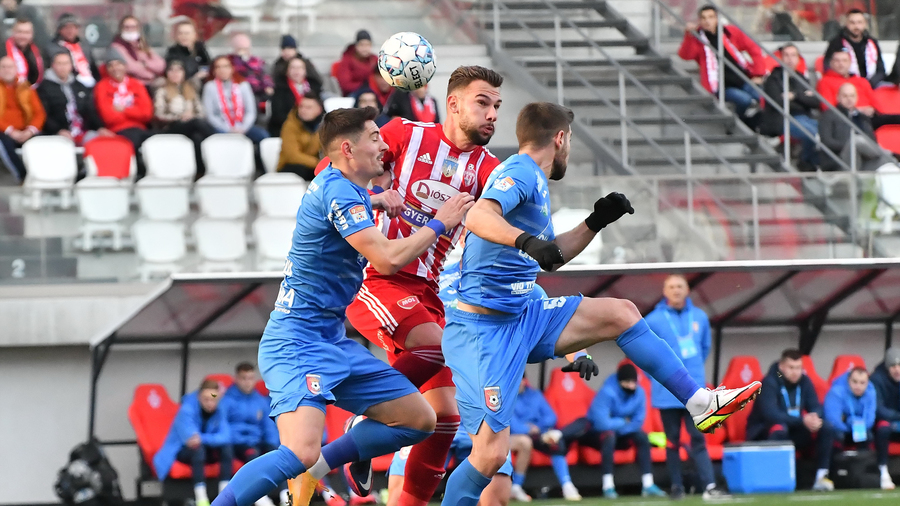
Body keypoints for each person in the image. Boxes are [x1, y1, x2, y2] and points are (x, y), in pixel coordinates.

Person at [437, 102, 761, 506]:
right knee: (491, 458)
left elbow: (552, 254)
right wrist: (525, 241)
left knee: (622, 313)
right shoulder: (520, 170)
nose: (568, 148)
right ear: (559, 139)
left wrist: (595, 222)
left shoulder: (534, 182)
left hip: (523, 316)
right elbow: (480, 216)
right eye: (569, 139)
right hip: (482, 333)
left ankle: (700, 403)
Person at [208, 106, 474, 506]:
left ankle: (337, 455)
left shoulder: (345, 187)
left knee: (420, 420)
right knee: (299, 452)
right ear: (348, 148)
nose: (384, 144)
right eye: (374, 138)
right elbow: (385, 259)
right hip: (296, 343)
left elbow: (343, 199)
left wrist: (377, 199)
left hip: (332, 340)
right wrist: (439, 222)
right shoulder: (339, 193)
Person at [341, 66, 507, 506]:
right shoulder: (403, 133)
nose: (492, 114)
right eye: (483, 103)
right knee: (438, 346)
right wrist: (374, 190)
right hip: (375, 278)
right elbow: (330, 172)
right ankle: (362, 421)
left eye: (497, 107)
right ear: (452, 103)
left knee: (445, 419)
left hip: (427, 292)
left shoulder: (491, 170)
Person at [384, 252, 514, 506]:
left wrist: (579, 353)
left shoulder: (509, 280)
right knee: (399, 494)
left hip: (481, 406)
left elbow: (544, 307)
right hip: (435, 402)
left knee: (494, 497)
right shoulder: (436, 278)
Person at [644, 274, 726, 500]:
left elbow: (704, 348)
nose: (676, 290)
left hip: (695, 390)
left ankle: (709, 486)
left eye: (680, 286)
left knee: (699, 438)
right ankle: (677, 487)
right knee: (672, 441)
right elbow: (644, 354)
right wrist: (657, 378)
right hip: (666, 391)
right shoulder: (653, 320)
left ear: (687, 290)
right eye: (671, 287)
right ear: (664, 291)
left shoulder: (700, 317)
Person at [746, 349, 833, 491]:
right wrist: (802, 421)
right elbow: (771, 415)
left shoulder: (804, 381)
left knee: (826, 427)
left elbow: (816, 406)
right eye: (791, 368)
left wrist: (814, 417)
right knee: (779, 428)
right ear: (782, 367)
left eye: (798, 368)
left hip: (794, 429)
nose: (795, 372)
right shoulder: (770, 382)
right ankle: (774, 478)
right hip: (764, 432)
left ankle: (821, 477)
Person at [587, 363, 665, 499]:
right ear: (620, 381)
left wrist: (621, 427)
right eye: (627, 382)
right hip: (599, 434)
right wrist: (623, 421)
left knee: (642, 437)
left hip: (623, 433)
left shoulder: (639, 393)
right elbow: (601, 423)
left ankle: (648, 484)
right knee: (609, 437)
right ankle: (608, 486)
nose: (631, 386)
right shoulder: (607, 391)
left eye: (633, 382)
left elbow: (638, 421)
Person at [154, 379, 234, 506]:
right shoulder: (187, 409)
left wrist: (203, 438)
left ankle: (225, 496)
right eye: (205, 399)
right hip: (181, 451)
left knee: (227, 448)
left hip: (205, 447)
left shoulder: (219, 410)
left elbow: (226, 436)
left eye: (213, 399)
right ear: (199, 396)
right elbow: (191, 440)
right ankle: (201, 498)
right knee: (198, 449)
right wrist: (207, 439)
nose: (209, 403)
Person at [677, 4, 765, 120]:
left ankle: (754, 123)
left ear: (717, 18)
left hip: (742, 78)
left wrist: (758, 74)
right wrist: (689, 35)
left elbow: (754, 48)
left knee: (763, 98)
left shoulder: (730, 31)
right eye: (703, 18)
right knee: (745, 100)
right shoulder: (697, 38)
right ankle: (741, 122)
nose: (707, 21)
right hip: (721, 86)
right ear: (699, 21)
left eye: (710, 17)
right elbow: (685, 56)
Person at [508, 376, 582, 501]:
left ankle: (567, 485)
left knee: (556, 442)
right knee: (525, 441)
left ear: (525, 381)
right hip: (519, 435)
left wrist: (538, 426)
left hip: (540, 433)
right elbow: (512, 424)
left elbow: (551, 417)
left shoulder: (535, 395)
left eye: (520, 379)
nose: (518, 383)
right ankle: (516, 486)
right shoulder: (506, 397)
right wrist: (527, 429)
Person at [223, 363, 286, 506]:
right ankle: (258, 496)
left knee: (278, 453)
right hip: (236, 443)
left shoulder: (260, 400)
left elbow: (268, 427)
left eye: (251, 378)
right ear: (236, 379)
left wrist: (275, 446)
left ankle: (284, 494)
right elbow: (224, 427)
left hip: (256, 441)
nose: (247, 382)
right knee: (253, 453)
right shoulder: (227, 400)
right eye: (244, 378)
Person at [823, 367, 895, 490]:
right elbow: (833, 419)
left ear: (867, 383)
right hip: (841, 428)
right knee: (835, 434)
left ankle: (865, 473)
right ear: (848, 381)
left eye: (862, 383)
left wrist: (858, 426)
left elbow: (870, 419)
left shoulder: (871, 391)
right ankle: (832, 474)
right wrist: (849, 426)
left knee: (869, 435)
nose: (858, 386)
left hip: (859, 428)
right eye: (854, 382)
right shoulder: (836, 391)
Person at [760, 44, 820, 170]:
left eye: (793, 55)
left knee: (823, 131)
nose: (790, 59)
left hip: (803, 117)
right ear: (781, 58)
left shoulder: (801, 78)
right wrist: (803, 98)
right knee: (813, 134)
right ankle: (806, 162)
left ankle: (808, 161)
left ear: (798, 58)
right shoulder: (773, 79)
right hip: (783, 119)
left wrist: (795, 96)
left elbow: (815, 101)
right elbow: (778, 102)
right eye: (786, 55)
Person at [94, 49, 154, 172]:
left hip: (140, 128)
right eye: (111, 65)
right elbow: (109, 118)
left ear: (125, 66)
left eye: (118, 64)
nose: (115, 68)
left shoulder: (136, 84)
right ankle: (137, 174)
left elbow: (147, 114)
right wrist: (135, 111)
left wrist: (124, 110)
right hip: (118, 130)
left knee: (160, 139)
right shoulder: (102, 87)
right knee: (133, 140)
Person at [37, 48, 113, 146]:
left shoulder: (79, 86)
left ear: (71, 66)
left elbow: (90, 110)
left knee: (106, 143)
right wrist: (58, 130)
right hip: (58, 134)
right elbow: (44, 114)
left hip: (82, 132)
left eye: (66, 63)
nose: (63, 67)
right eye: (59, 63)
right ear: (53, 65)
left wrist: (99, 128)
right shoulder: (44, 88)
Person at [153, 58, 214, 173]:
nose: (175, 73)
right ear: (167, 73)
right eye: (171, 70)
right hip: (172, 126)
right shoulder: (162, 91)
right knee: (197, 124)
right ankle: (216, 141)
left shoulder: (190, 89)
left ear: (184, 73)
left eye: (179, 70)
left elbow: (201, 111)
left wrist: (192, 116)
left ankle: (200, 171)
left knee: (197, 138)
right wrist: (179, 117)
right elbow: (158, 114)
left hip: (191, 124)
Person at [819, 83, 896, 171]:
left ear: (856, 98)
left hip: (863, 161)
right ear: (838, 97)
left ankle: (890, 157)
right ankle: (889, 153)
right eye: (845, 96)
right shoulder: (828, 115)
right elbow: (827, 142)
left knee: (889, 161)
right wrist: (850, 146)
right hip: (838, 162)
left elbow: (872, 141)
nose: (849, 99)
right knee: (857, 141)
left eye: (852, 96)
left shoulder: (862, 117)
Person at [817, 50, 900, 131]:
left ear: (850, 63)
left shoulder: (861, 81)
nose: (841, 64)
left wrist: (873, 110)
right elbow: (827, 108)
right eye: (837, 61)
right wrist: (858, 111)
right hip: (847, 119)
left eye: (844, 60)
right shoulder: (824, 82)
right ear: (831, 63)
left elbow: (875, 103)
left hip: (870, 118)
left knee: (893, 119)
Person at [202, 55, 268, 144]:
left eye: (226, 66)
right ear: (214, 71)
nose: (222, 70)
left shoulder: (243, 85)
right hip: (221, 127)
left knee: (262, 135)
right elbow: (210, 115)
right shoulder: (210, 87)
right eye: (218, 67)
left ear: (232, 68)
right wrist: (228, 129)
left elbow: (250, 111)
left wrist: (243, 128)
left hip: (242, 126)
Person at [0, 54, 42, 181]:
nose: (7, 70)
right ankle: (22, 177)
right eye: (3, 67)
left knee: (43, 141)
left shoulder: (26, 88)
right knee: (3, 143)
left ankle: (42, 177)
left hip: (26, 130)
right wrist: (11, 131)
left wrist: (31, 130)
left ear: (16, 69)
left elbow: (39, 113)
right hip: (4, 131)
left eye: (10, 67)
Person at [824, 9, 888, 89]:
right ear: (846, 24)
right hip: (846, 86)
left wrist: (869, 84)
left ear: (865, 24)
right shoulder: (836, 43)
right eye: (852, 23)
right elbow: (828, 67)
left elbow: (881, 70)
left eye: (859, 22)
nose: (856, 26)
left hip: (871, 85)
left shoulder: (872, 43)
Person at [869, 346, 900, 489]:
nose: (897, 370)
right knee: (883, 429)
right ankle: (883, 471)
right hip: (883, 421)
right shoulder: (876, 379)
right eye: (893, 366)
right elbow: (878, 408)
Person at [268, 56, 321, 137]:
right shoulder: (280, 88)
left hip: (312, 126)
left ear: (305, 71)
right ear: (287, 71)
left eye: (300, 68)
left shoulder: (314, 87)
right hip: (286, 127)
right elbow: (278, 115)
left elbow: (320, 111)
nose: (297, 71)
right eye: (293, 68)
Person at [109, 16, 165, 88]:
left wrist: (145, 64)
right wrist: (151, 75)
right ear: (121, 29)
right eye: (126, 27)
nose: (130, 30)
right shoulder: (117, 46)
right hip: (133, 84)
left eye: (133, 27)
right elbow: (131, 67)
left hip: (150, 83)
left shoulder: (142, 44)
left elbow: (161, 65)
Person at [276, 94, 323, 179]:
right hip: (290, 167)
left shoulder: (325, 127)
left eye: (308, 108)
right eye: (301, 107)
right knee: (303, 170)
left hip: (313, 166)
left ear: (319, 110)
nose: (303, 110)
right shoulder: (290, 126)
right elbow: (292, 156)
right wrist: (318, 163)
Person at [49, 13, 98, 88]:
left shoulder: (84, 45)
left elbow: (93, 66)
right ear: (59, 30)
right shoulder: (53, 47)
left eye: (73, 27)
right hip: (71, 84)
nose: (70, 31)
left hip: (90, 81)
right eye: (66, 28)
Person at [227, 32, 273, 105]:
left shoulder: (257, 61)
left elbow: (265, 75)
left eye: (245, 49)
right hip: (236, 92)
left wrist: (267, 86)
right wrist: (239, 60)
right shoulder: (230, 60)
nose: (243, 51)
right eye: (240, 49)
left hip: (256, 93)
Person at [165, 19, 211, 86]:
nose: (184, 36)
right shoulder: (172, 52)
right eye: (181, 33)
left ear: (194, 35)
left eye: (187, 33)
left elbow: (208, 64)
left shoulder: (201, 49)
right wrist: (195, 77)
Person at [0, 17, 42, 87]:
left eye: (26, 32)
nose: (23, 36)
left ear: (32, 34)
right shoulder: (2, 50)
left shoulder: (38, 51)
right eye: (20, 32)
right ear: (13, 32)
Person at [336, 30, 377, 96]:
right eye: (361, 45)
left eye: (367, 45)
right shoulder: (347, 60)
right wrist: (364, 85)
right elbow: (345, 85)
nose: (365, 48)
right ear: (356, 46)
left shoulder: (374, 60)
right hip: (353, 94)